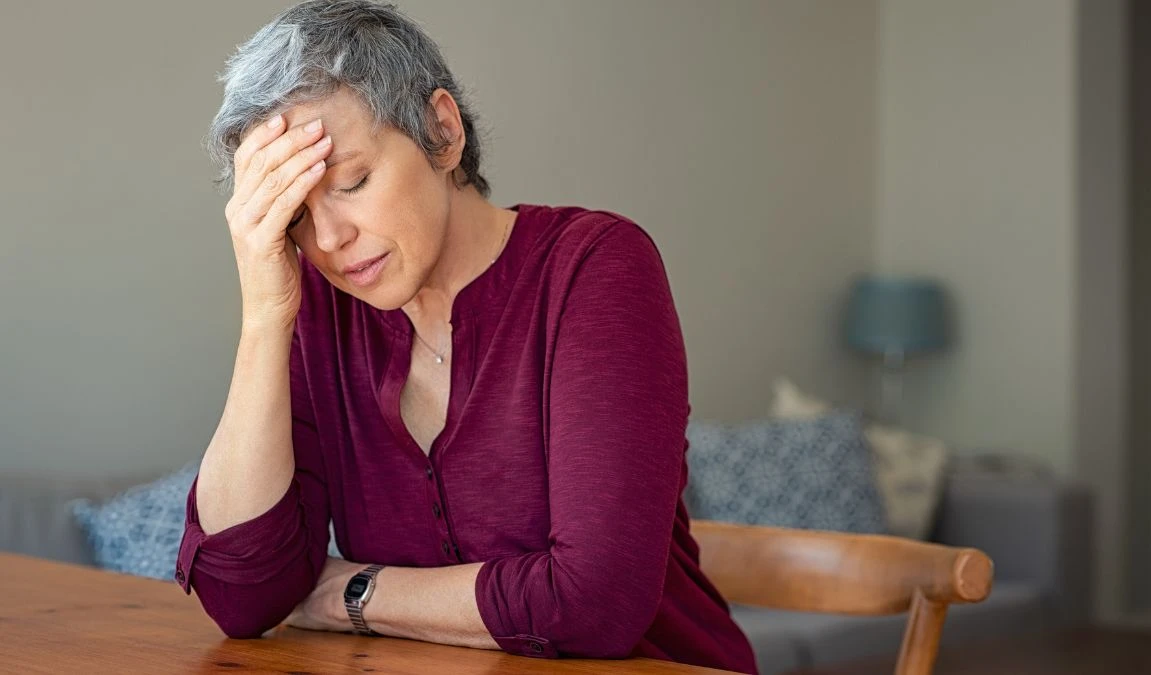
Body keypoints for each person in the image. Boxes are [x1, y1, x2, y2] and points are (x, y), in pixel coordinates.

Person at [175, 1, 757, 672]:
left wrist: (346, 591)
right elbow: (241, 598)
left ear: (442, 131)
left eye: (353, 182)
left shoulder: (595, 268)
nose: (329, 241)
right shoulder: (319, 310)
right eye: (294, 219)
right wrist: (264, 317)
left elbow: (595, 600)